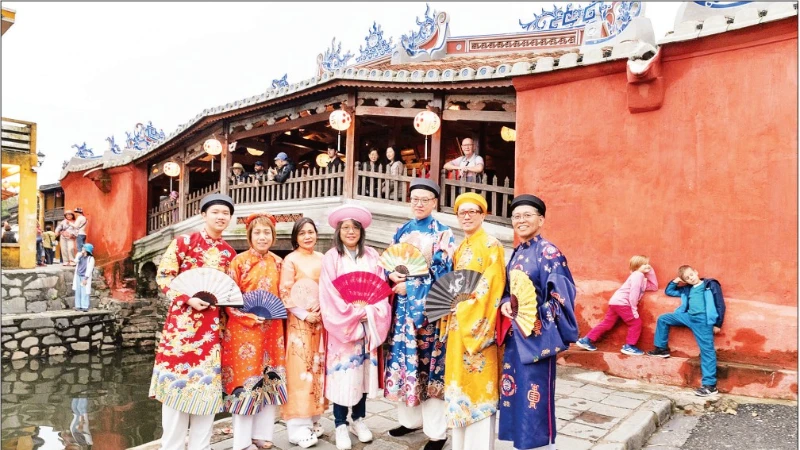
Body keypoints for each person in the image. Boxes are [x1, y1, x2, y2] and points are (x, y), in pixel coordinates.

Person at [149, 193, 237, 450]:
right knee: (176, 392)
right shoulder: (183, 242)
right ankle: (172, 447)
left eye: (225, 213)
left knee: (207, 390)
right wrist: (187, 298)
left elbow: (230, 292)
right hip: (180, 330)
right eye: (216, 212)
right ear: (203, 214)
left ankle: (202, 446)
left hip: (213, 331)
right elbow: (164, 278)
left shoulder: (229, 253)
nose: (221, 217)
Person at [496, 194, 578, 450]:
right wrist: (507, 302)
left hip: (536, 338)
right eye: (516, 216)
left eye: (528, 215)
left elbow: (562, 296)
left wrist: (534, 318)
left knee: (535, 397)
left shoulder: (549, 252)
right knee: (515, 393)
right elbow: (510, 290)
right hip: (515, 337)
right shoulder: (518, 252)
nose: (521, 220)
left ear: (541, 220)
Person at [384, 178, 455, 450]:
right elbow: (389, 260)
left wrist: (410, 286)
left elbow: (442, 273)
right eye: (415, 199)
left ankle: (437, 432)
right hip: (402, 312)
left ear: (435, 202)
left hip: (427, 314)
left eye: (425, 199)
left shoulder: (443, 233)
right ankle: (409, 420)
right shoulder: (402, 230)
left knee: (428, 367)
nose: (419, 204)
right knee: (403, 363)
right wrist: (390, 276)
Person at [319, 204, 391, 450]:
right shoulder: (331, 258)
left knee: (362, 377)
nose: (350, 232)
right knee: (342, 374)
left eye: (355, 227)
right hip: (343, 328)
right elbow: (328, 294)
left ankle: (359, 419)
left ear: (362, 231)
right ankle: (340, 423)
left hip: (367, 326)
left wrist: (369, 311)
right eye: (346, 227)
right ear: (338, 231)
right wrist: (353, 313)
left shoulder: (372, 256)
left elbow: (380, 290)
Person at [442, 193, 505, 450]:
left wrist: (465, 308)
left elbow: (493, 287)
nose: (466, 216)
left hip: (477, 328)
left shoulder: (492, 245)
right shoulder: (460, 248)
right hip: (458, 330)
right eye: (461, 212)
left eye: (472, 212)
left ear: (483, 215)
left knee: (478, 387)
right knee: (458, 385)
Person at [224, 212, 287, 450]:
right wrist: (248, 316)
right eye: (257, 232)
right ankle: (241, 442)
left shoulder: (279, 263)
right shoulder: (238, 262)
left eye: (267, 232)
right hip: (244, 332)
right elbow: (229, 300)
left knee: (270, 381)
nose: (262, 237)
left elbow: (285, 297)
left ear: (273, 236)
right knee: (246, 383)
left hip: (273, 331)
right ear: (250, 236)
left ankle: (262, 434)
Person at [279, 218, 327, 448]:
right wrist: (304, 313)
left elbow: (329, 289)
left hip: (321, 322)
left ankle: (315, 418)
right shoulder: (291, 260)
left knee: (318, 370)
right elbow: (285, 293)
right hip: (299, 324)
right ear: (295, 237)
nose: (308, 236)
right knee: (300, 371)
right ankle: (297, 428)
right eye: (302, 233)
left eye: (311, 231)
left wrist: (323, 306)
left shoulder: (323, 258)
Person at [647, 265, 725, 397]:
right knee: (663, 318)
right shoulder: (687, 289)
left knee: (707, 350)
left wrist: (718, 323)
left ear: (696, 272)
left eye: (692, 275)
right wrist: (677, 280)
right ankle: (661, 349)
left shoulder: (710, 284)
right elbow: (669, 291)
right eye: (687, 278)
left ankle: (710, 385)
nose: (691, 279)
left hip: (703, 321)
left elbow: (719, 303)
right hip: (688, 317)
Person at [576, 256, 658, 356]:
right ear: (637, 266)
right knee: (635, 323)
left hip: (615, 302)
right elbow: (634, 293)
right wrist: (633, 309)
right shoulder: (638, 275)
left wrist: (650, 271)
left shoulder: (639, 277)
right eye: (644, 264)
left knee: (607, 323)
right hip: (623, 303)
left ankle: (586, 340)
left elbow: (654, 287)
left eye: (648, 264)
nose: (648, 266)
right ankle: (630, 346)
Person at [72, 243, 95, 312]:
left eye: (84, 248)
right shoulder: (79, 255)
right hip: (78, 275)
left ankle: (85, 306)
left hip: (84, 277)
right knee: (78, 291)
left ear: (87, 250)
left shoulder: (91, 259)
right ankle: (78, 306)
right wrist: (80, 255)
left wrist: (85, 279)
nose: (82, 249)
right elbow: (75, 261)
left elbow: (90, 269)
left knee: (84, 291)